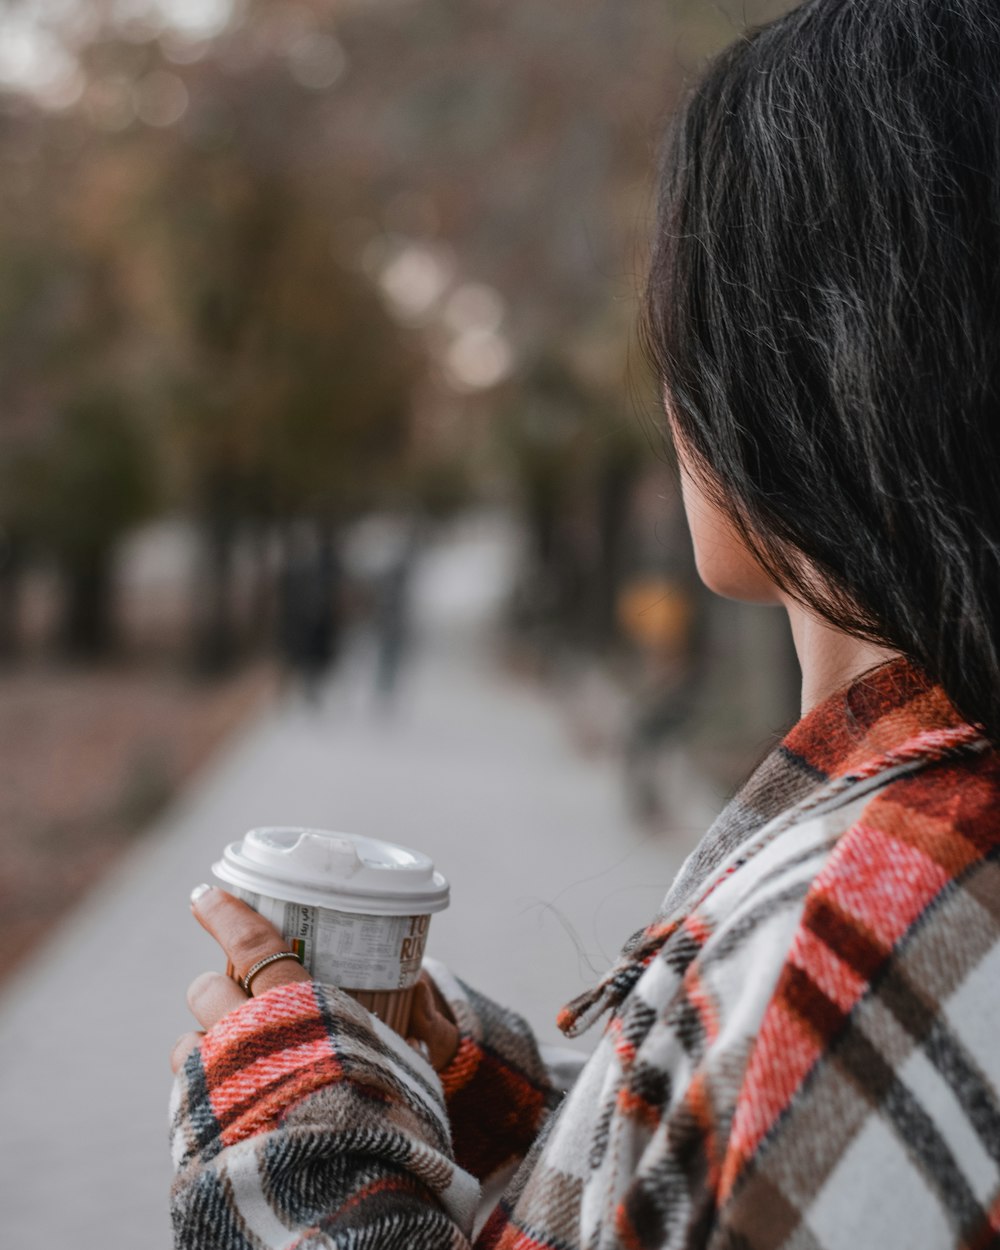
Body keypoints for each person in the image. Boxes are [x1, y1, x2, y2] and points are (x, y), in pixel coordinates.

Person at [169, 1, 1000, 1246]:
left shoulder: (872, 911)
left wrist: (289, 1126)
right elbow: (709, 1190)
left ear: (796, 367)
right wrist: (454, 1078)